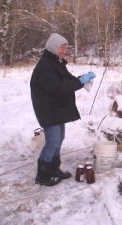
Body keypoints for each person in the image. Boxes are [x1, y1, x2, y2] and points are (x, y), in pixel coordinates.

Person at [30, 33, 95, 186]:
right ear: (53, 47)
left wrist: (81, 79)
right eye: (62, 48)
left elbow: (68, 80)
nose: (64, 51)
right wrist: (79, 82)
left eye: (66, 48)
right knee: (52, 143)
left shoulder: (57, 62)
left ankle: (53, 169)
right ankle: (43, 175)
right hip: (48, 110)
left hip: (57, 109)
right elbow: (57, 88)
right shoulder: (45, 66)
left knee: (59, 140)